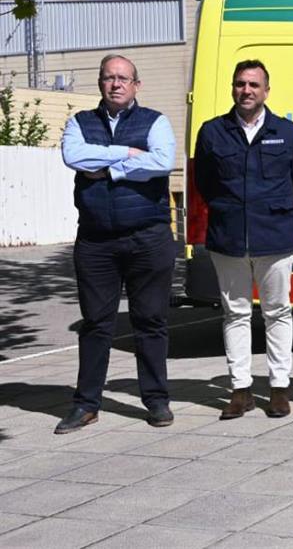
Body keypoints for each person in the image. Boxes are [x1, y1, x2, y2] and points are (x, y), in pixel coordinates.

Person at [56, 54, 177, 434]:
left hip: (148, 238)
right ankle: (86, 404)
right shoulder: (80, 122)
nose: (116, 84)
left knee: (150, 321)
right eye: (109, 77)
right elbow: (73, 156)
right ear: (100, 83)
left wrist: (106, 168)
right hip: (96, 241)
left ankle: (156, 401)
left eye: (124, 78)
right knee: (95, 324)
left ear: (136, 85)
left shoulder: (155, 121)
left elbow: (162, 162)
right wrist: (125, 154)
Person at [194, 60, 293, 420]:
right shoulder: (213, 132)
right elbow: (205, 182)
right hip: (228, 238)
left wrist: (274, 211)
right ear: (233, 88)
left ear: (266, 91)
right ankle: (241, 390)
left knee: (278, 312)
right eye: (240, 84)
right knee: (235, 314)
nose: (246, 90)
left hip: (274, 238)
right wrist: (231, 210)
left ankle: (279, 388)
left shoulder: (288, 132)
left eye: (253, 85)